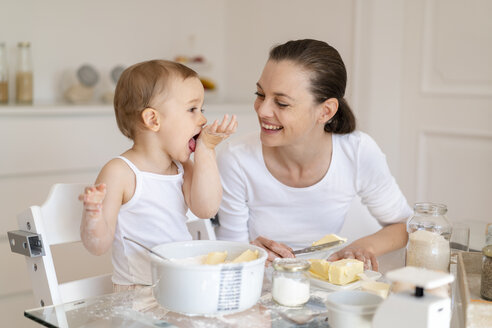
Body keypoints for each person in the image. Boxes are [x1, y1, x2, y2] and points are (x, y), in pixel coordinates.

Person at [216, 39, 411, 270]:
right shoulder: (236, 159)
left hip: (325, 287)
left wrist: (364, 246)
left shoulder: (357, 152)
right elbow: (229, 254)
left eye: (281, 103)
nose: (263, 110)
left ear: (325, 111)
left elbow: (404, 225)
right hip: (260, 289)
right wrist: (250, 252)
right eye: (260, 94)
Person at [79, 59, 237, 289]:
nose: (202, 119)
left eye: (201, 110)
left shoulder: (183, 168)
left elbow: (207, 208)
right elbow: (98, 246)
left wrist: (206, 150)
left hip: (182, 284)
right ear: (153, 119)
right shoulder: (120, 173)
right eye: (192, 109)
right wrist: (92, 214)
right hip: (137, 296)